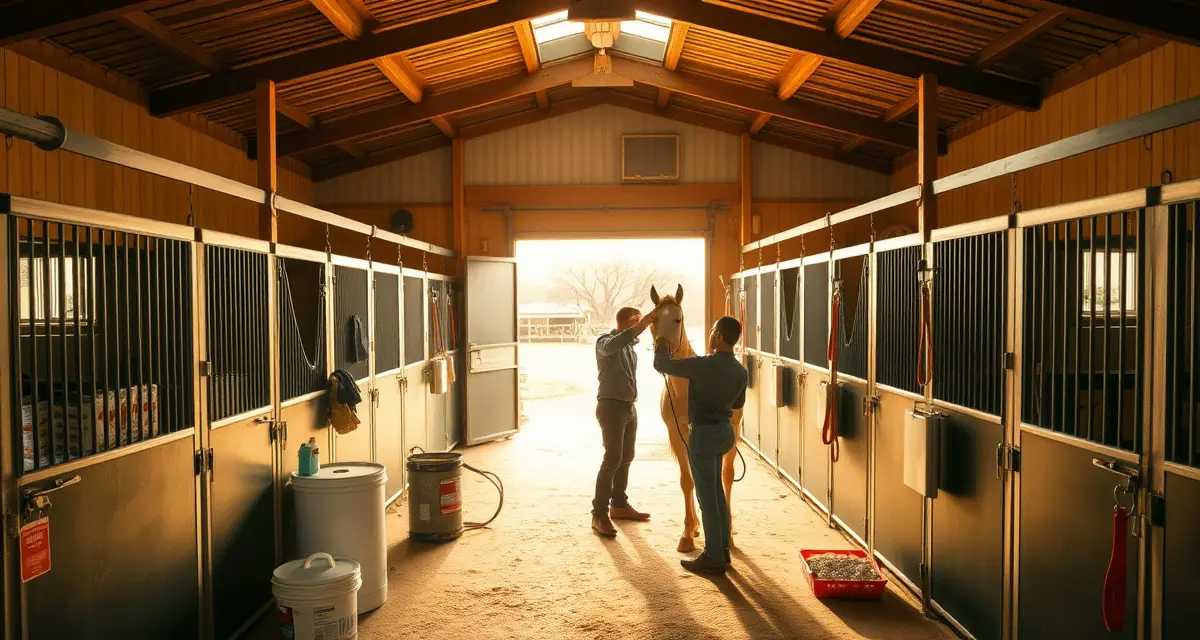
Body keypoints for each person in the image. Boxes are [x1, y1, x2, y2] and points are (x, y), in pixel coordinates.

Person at [653, 316, 748, 575]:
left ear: (718, 336)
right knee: (717, 492)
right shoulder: (741, 370)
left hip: (704, 435)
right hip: (725, 433)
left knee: (706, 497)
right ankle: (724, 550)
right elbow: (738, 405)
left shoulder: (702, 365)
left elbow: (660, 364)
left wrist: (661, 341)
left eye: (712, 331)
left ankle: (713, 556)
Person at [591, 306, 657, 537]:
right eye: (636, 321)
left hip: (629, 408)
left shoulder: (631, 350)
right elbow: (612, 346)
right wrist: (642, 324)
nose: (642, 326)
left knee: (626, 457)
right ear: (624, 322)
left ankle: (618, 505)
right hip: (610, 407)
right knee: (612, 459)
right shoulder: (605, 341)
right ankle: (598, 514)